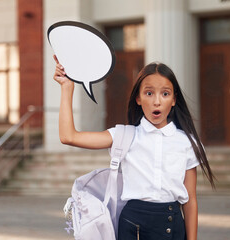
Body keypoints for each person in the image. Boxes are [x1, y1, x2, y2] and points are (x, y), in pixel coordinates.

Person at [53, 55, 215, 240]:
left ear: (173, 100)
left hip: (172, 226)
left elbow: (190, 200)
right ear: (138, 98)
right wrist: (67, 87)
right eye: (149, 93)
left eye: (165, 93)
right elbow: (68, 137)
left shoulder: (187, 142)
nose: (157, 101)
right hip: (132, 228)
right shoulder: (124, 135)